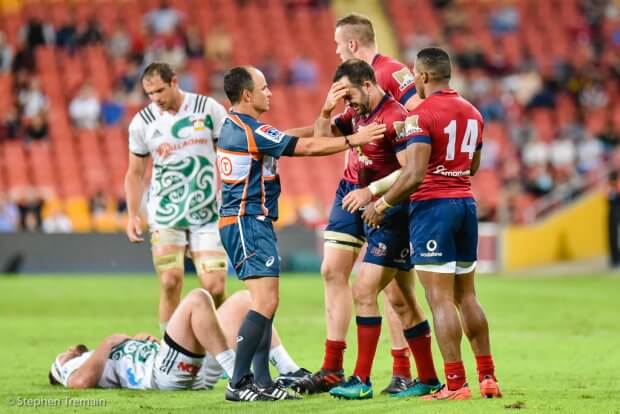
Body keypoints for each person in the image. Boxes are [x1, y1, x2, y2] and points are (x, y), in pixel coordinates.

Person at [217, 66, 385, 402]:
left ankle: (263, 381)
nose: (270, 93)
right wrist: (354, 140)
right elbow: (305, 148)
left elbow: (294, 136)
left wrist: (327, 117)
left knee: (265, 302)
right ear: (247, 95)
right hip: (246, 221)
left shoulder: (241, 127)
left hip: (248, 221)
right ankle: (239, 384)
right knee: (265, 301)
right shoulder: (249, 130)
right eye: (264, 88)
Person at [296, 12, 429, 396]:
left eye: (338, 45)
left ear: (352, 45)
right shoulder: (348, 89)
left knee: (390, 289)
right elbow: (326, 137)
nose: (335, 51)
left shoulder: (391, 73)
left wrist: (390, 189)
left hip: (386, 193)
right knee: (333, 271)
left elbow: (417, 123)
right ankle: (333, 366)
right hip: (352, 187)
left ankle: (403, 369)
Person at [360, 47, 502, 400]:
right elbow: (472, 166)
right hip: (466, 205)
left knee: (439, 299)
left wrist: (383, 203)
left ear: (422, 76)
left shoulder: (420, 116)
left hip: (433, 209)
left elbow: (413, 172)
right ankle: (488, 377)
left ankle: (454, 384)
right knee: (467, 295)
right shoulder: (473, 113)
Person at [124, 62, 228, 336]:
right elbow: (135, 173)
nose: (155, 99)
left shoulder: (208, 109)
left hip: (207, 212)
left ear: (174, 81)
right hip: (165, 213)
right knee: (171, 281)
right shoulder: (142, 123)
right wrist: (133, 214)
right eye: (149, 94)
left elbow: (230, 153)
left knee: (215, 286)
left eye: (159, 91)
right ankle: (170, 352)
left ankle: (221, 346)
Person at [49, 290, 306, 395]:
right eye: (65, 354)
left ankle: (289, 371)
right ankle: (238, 379)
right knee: (197, 299)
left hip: (182, 364)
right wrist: (110, 341)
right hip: (163, 376)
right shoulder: (71, 367)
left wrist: (137, 341)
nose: (70, 350)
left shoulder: (95, 358)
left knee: (243, 299)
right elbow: (79, 383)